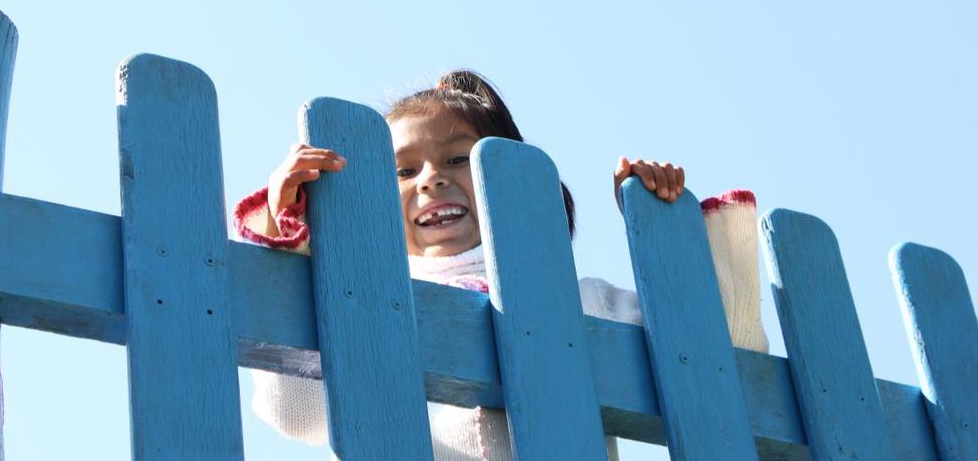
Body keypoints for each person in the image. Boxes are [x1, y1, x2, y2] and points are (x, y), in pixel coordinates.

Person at [233, 70, 769, 460]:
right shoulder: (363, 306)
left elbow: (715, 365)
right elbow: (294, 408)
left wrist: (667, 228)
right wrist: (290, 234)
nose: (429, 180)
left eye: (458, 159)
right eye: (402, 170)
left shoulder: (578, 300)